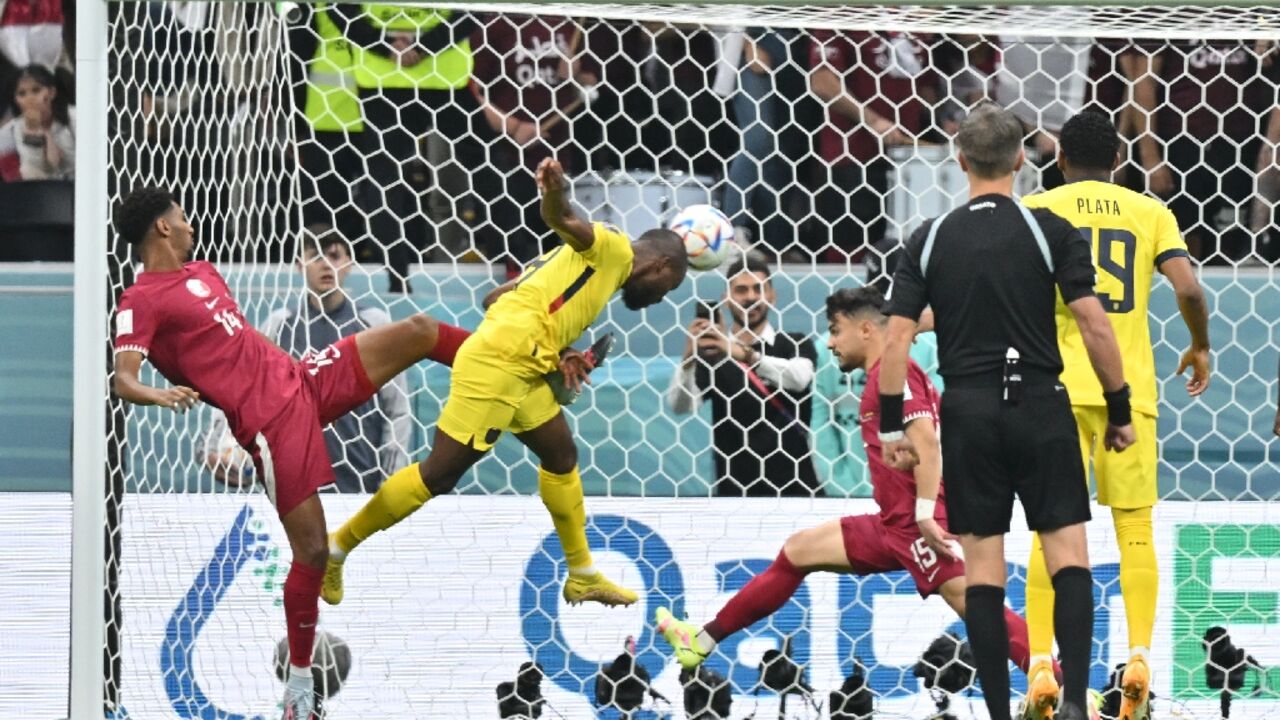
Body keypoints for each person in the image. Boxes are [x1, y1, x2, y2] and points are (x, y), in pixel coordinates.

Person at [110, 186, 472, 719]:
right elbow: (123, 380)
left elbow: (233, 353)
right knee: (312, 553)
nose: (190, 225)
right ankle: (300, 693)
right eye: (182, 217)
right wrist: (161, 394)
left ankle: (529, 365)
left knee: (418, 331)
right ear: (162, 228)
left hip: (303, 379)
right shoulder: (140, 300)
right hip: (272, 426)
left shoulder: (205, 272)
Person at [322, 158, 688, 611]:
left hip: (523, 366)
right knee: (439, 474)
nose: (662, 298)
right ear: (661, 265)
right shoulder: (614, 248)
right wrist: (554, 190)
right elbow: (562, 217)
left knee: (560, 454)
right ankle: (335, 547)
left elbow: (494, 298)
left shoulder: (581, 268)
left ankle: (582, 574)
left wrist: (556, 348)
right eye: (669, 288)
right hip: (500, 365)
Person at [878, 103, 1135, 720]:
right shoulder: (1048, 230)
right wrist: (1119, 408)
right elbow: (1094, 326)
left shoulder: (930, 237)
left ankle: (999, 711)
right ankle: (1074, 702)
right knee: (1068, 553)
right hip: (1042, 406)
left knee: (984, 570)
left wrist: (892, 425)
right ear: (1023, 159)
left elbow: (895, 340)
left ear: (960, 160)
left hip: (968, 411)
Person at [656, 286, 1041, 682]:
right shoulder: (885, 372)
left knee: (979, 609)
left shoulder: (896, 372)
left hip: (919, 526)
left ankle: (1066, 691)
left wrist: (926, 514)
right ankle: (700, 641)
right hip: (892, 524)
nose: (829, 342)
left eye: (836, 330)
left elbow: (926, 440)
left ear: (867, 331)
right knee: (797, 552)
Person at [1021, 110, 1212, 720]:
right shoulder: (1150, 212)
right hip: (1126, 390)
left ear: (1059, 160)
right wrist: (1200, 343)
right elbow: (1188, 288)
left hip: (1050, 388)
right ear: (1119, 160)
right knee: (1134, 529)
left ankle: (1041, 666)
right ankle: (1137, 658)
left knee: (1051, 529)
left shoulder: (1037, 209)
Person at [205, 228, 413, 493]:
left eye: (335, 255)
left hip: (362, 483)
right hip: (294, 487)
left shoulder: (374, 324)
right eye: (316, 256)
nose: (326, 264)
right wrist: (216, 445)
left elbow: (397, 408)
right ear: (299, 266)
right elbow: (241, 387)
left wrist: (391, 479)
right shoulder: (280, 325)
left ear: (349, 264)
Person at [666, 250, 821, 497]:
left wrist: (740, 352)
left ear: (772, 296)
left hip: (797, 489)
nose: (751, 297)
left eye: (758, 289)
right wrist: (688, 360)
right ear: (726, 298)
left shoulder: (794, 343)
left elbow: (799, 378)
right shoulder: (712, 355)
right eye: (741, 290)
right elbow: (681, 406)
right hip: (735, 492)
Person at [811, 240, 942, 497]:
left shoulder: (929, 344)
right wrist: (840, 485)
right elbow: (820, 423)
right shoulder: (829, 348)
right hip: (848, 489)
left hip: (909, 490)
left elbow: (934, 428)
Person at [808, 29, 931, 259]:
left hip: (909, 165)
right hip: (852, 159)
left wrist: (949, 119)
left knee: (905, 256)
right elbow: (822, 81)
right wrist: (872, 121)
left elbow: (925, 88)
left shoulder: (914, 19)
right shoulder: (841, 13)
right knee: (850, 257)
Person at [0, 64, 73, 180]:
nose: (30, 98)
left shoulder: (72, 117)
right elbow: (33, 171)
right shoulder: (19, 127)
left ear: (51, 93)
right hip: (48, 190)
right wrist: (33, 133)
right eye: (22, 94)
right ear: (16, 100)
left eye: (36, 90)